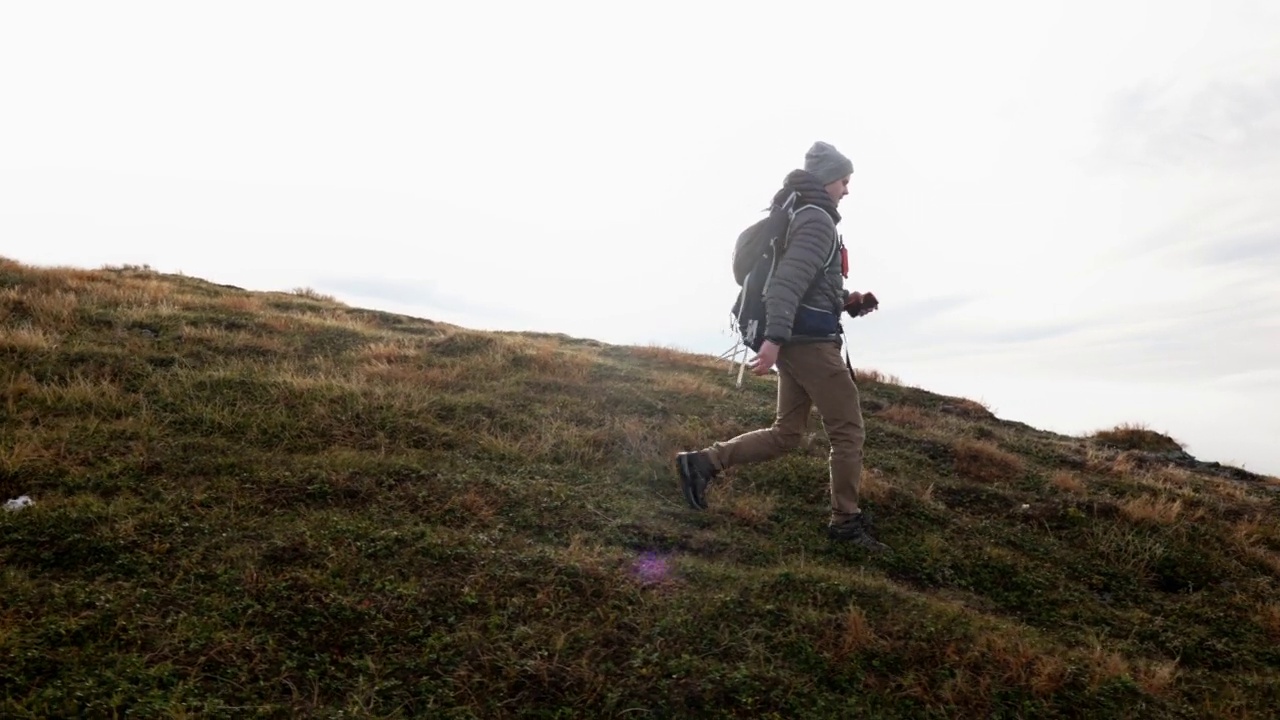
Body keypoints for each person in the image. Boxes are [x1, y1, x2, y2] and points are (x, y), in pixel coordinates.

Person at [676, 140, 889, 553]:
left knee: (787, 433)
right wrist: (773, 340)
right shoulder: (817, 221)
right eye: (844, 181)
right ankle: (846, 522)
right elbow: (786, 284)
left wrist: (847, 301)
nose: (847, 189)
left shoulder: (800, 214)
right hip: (808, 345)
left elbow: (808, 283)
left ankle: (702, 463)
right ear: (828, 180)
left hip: (798, 340)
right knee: (848, 432)